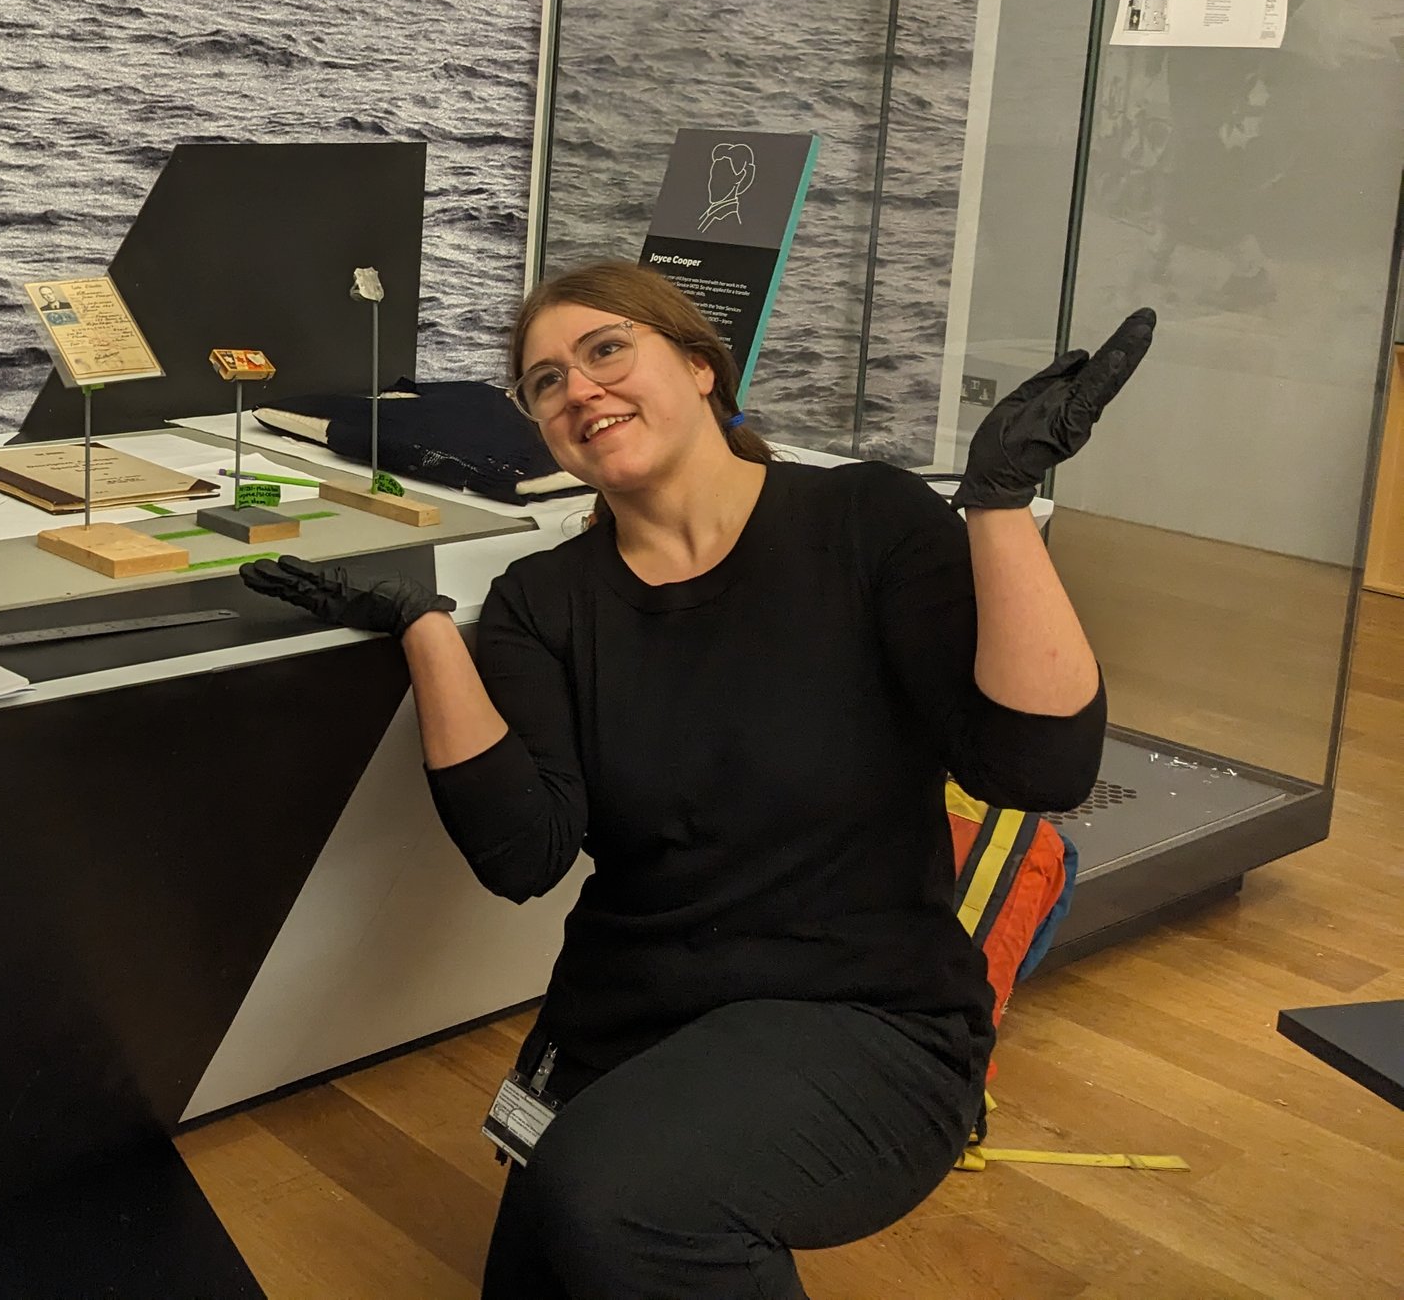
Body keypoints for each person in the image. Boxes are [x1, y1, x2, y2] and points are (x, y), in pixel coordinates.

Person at [243, 260, 1150, 1298]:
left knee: (622, 1200)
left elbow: (1037, 764)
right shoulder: (545, 601)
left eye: (604, 350)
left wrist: (993, 504)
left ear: (699, 364)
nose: (577, 388)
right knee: (577, 1240)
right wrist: (426, 628)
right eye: (544, 382)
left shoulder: (868, 522)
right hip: (629, 1026)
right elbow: (519, 853)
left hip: (862, 1017)